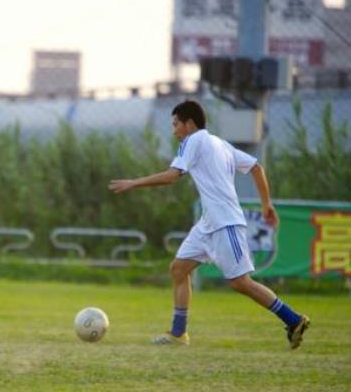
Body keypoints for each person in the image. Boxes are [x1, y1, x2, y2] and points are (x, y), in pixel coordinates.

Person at [108, 99, 310, 349]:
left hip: (225, 223)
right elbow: (256, 168)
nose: (174, 131)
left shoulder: (193, 141)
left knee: (240, 283)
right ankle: (178, 334)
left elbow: (173, 176)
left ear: (189, 124)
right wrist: (266, 205)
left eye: (175, 124)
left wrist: (134, 183)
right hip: (208, 223)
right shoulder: (220, 144)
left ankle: (293, 320)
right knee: (179, 269)